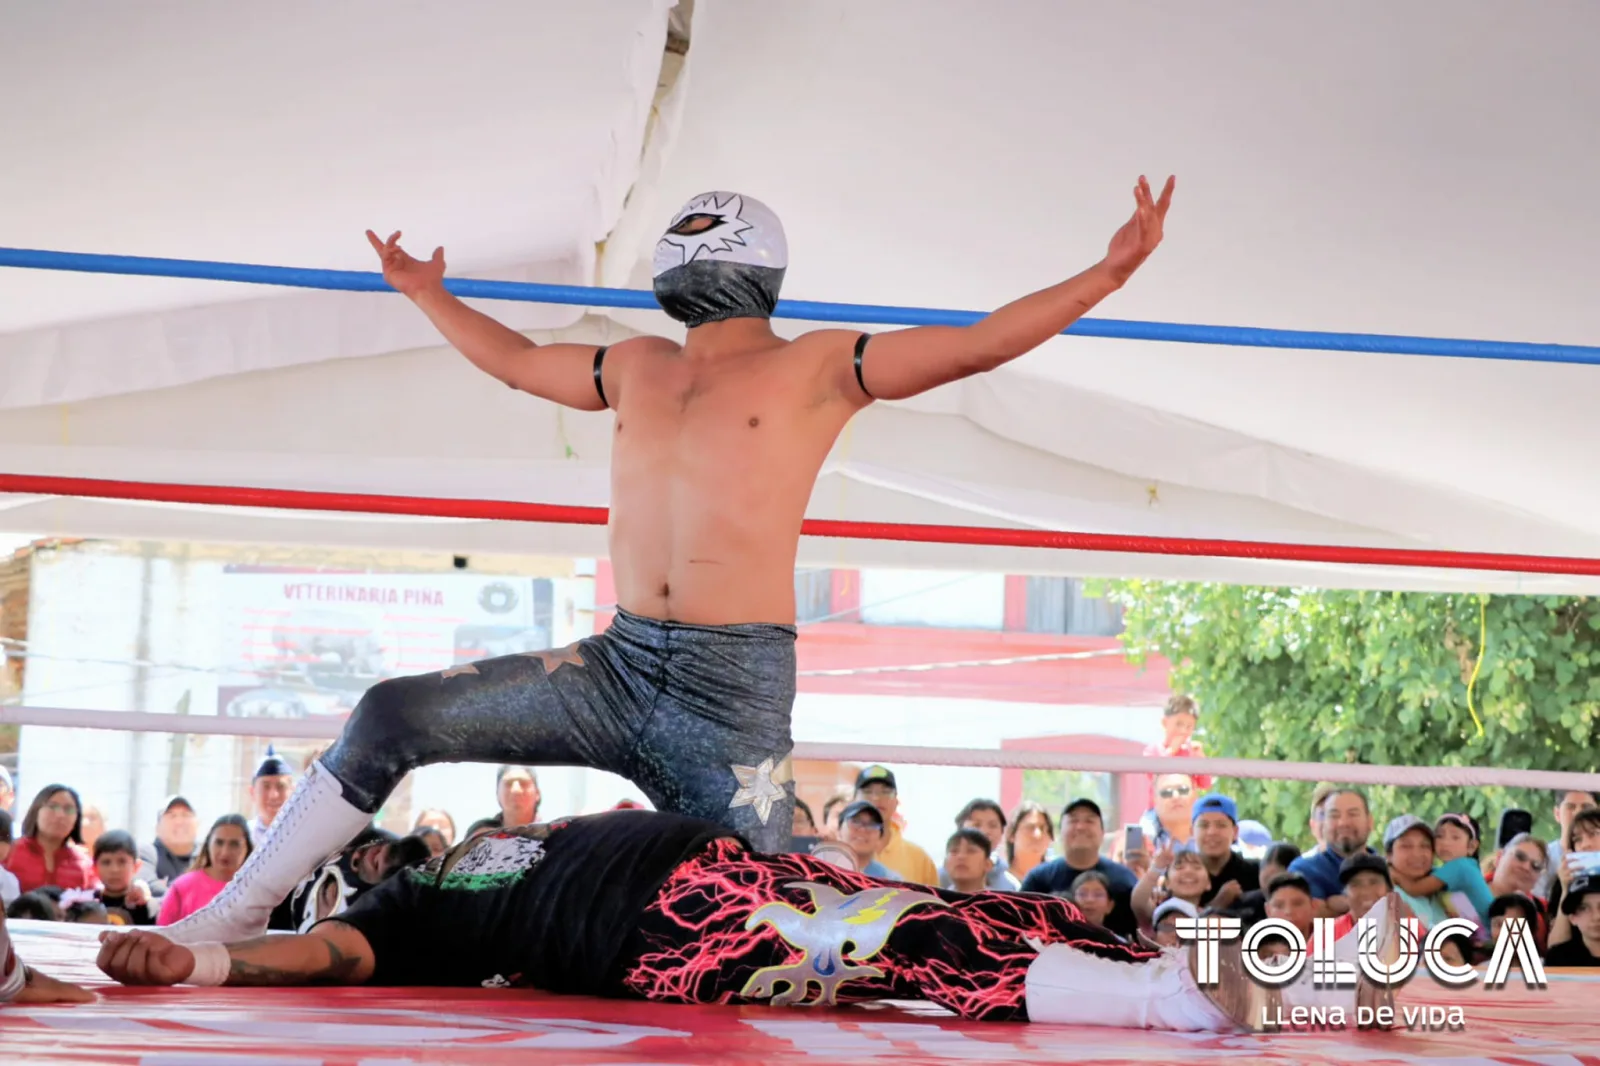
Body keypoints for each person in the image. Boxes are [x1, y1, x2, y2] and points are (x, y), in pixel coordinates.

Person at [154, 177, 1177, 945]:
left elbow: (975, 346)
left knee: (777, 915)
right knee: (391, 712)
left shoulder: (821, 363)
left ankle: (1038, 942)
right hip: (616, 665)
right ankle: (244, 910)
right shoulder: (634, 365)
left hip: (731, 693)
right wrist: (427, 294)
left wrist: (1106, 273)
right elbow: (514, 362)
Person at [97, 806, 1392, 1033]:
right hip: (675, 920)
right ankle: (1174, 1006)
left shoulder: (490, 840)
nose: (364, 865)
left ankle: (1279, 984)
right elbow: (326, 950)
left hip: (732, 877)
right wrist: (203, 952)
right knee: (913, 942)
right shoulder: (409, 905)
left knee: (969, 913)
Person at [3, 785, 98, 895]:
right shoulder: (10, 852)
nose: (60, 815)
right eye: (53, 806)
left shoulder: (84, 864)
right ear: (36, 810)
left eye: (69, 809)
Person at [158, 816, 253, 926]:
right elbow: (161, 935)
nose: (225, 852)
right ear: (208, 844)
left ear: (247, 848)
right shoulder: (181, 887)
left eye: (234, 844)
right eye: (219, 842)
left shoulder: (258, 889)